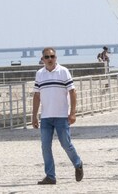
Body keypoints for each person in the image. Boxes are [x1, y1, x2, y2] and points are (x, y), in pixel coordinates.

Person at [32, 48, 84, 185]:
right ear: (42, 59)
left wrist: (72, 113)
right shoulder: (39, 74)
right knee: (45, 146)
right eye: (47, 57)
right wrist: (34, 116)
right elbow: (36, 96)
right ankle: (50, 176)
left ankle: (78, 163)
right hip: (46, 117)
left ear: (56, 57)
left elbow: (72, 92)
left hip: (61, 116)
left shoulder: (63, 71)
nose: (50, 59)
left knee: (66, 143)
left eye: (52, 56)